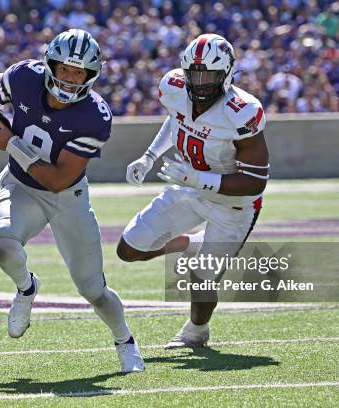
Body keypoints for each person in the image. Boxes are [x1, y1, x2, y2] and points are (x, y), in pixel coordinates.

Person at [0, 29, 144, 372]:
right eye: (65, 69)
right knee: (3, 246)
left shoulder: (94, 116)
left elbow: (58, 178)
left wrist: (9, 142)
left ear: (91, 76)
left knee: (94, 290)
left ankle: (125, 341)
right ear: (51, 66)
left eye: (79, 72)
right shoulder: (25, 76)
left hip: (66, 198)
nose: (71, 78)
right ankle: (26, 288)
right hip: (20, 185)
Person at [116, 34, 269, 349]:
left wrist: (199, 179)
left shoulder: (242, 112)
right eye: (194, 74)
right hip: (189, 189)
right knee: (128, 249)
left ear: (226, 74)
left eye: (209, 75)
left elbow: (255, 181)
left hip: (234, 205)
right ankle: (186, 244)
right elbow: (176, 120)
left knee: (202, 277)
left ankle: (196, 332)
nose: (200, 83)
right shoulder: (173, 88)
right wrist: (149, 157)